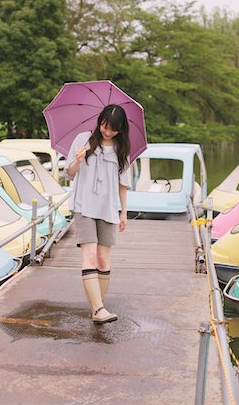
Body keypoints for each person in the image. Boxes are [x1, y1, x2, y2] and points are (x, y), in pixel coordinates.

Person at [64, 104, 131, 324]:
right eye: (104, 125)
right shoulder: (83, 140)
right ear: (99, 121)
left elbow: (123, 185)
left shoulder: (122, 151)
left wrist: (124, 213)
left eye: (112, 129)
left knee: (103, 260)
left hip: (108, 209)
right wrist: (77, 160)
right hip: (84, 206)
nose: (106, 131)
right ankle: (99, 309)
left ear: (120, 130)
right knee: (89, 256)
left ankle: (97, 306)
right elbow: (69, 174)